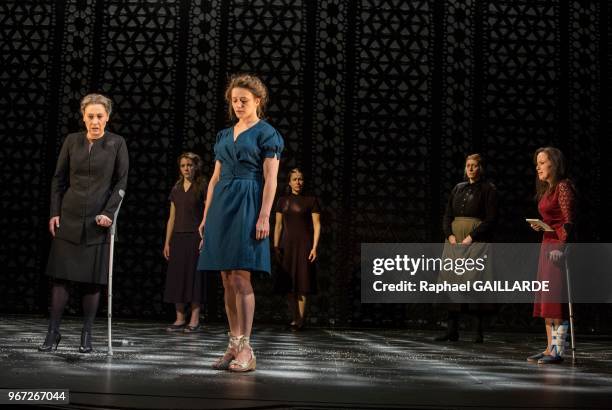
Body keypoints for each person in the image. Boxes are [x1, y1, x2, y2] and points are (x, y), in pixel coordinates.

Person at [197, 74, 284, 372]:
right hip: (222, 203)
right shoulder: (223, 136)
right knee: (225, 278)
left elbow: (271, 179)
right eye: (234, 100)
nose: (237, 105)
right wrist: (206, 216)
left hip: (248, 201)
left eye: (243, 100)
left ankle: (247, 347)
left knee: (240, 277)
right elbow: (214, 179)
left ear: (257, 101)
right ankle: (233, 345)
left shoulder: (266, 134)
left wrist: (264, 215)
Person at [39, 93, 129, 353]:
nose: (95, 121)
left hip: (98, 221)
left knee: (92, 282)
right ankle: (52, 333)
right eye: (90, 116)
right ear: (83, 117)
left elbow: (121, 183)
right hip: (69, 216)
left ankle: (86, 335)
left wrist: (109, 213)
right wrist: (54, 212)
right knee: (61, 279)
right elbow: (58, 180)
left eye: (100, 116)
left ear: (107, 118)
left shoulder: (116, 143)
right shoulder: (72, 141)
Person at [436, 153, 497, 343]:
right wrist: (450, 235)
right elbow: (447, 215)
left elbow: (491, 219)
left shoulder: (488, 189)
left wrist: (472, 236)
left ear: (481, 168)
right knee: (451, 281)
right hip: (455, 242)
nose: (470, 168)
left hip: (476, 241)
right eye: (468, 165)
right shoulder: (458, 188)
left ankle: (477, 332)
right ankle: (452, 330)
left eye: (474, 165)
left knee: (474, 282)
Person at [527, 147, 575, 364]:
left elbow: (568, 222)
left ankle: (558, 350)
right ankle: (549, 348)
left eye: (543, 162)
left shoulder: (563, 187)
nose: (538, 166)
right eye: (537, 162)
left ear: (554, 164)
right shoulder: (547, 190)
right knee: (546, 300)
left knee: (555, 301)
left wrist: (562, 247)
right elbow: (553, 222)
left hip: (556, 248)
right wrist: (543, 227)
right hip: (546, 245)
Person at [273, 168, 321, 331]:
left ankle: (300, 321)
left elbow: (317, 225)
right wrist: (275, 245)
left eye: (300, 179)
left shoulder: (310, 200)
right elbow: (278, 226)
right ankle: (295, 318)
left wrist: (314, 247)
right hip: (287, 246)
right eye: (295, 179)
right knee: (288, 285)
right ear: (289, 182)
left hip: (304, 246)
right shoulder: (282, 201)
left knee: (302, 284)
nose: (298, 182)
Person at [163, 153, 206, 333]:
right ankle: (180, 318)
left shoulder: (202, 186)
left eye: (189, 165)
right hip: (178, 237)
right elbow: (172, 217)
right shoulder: (176, 188)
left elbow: (207, 213)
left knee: (194, 278)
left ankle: (194, 319)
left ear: (196, 166)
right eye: (183, 165)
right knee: (177, 277)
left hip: (195, 237)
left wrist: (205, 236)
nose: (186, 168)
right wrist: (167, 242)